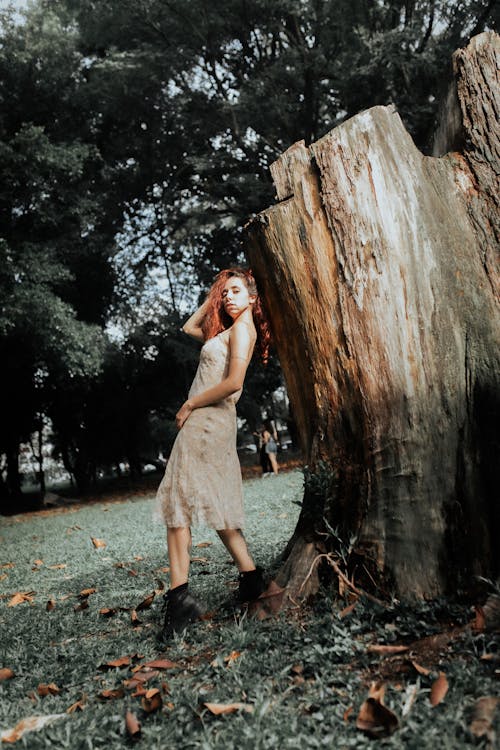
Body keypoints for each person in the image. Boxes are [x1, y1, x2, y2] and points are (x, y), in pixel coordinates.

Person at [156, 268, 271, 641]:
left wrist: (190, 403)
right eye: (226, 294)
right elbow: (191, 328)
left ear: (253, 298)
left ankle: (179, 598)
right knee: (207, 501)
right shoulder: (226, 330)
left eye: (236, 292)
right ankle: (251, 578)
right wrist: (214, 294)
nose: (228, 298)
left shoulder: (242, 330)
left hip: (207, 420)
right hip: (209, 421)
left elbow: (234, 383)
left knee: (179, 503)